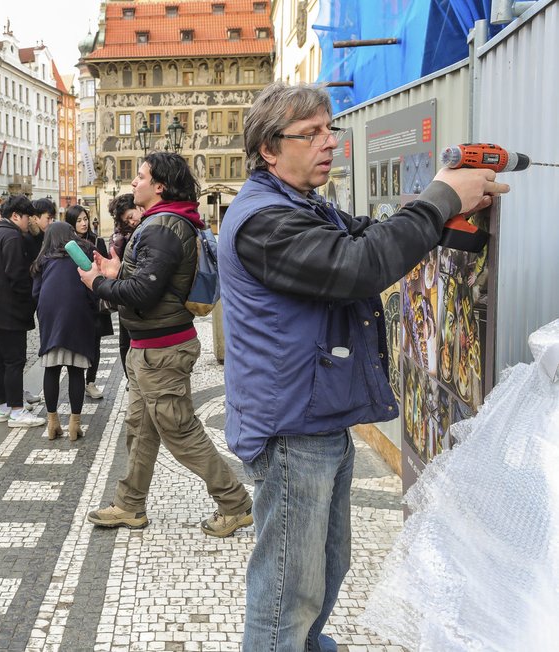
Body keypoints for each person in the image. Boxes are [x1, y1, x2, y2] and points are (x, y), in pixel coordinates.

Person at [218, 82, 508, 651]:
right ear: (269, 150)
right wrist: (441, 198)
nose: (330, 143)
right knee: (286, 593)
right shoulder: (264, 222)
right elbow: (357, 265)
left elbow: (371, 236)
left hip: (318, 418)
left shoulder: (302, 205)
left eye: (331, 129)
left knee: (326, 570)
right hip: (290, 429)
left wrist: (446, 214)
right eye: (312, 134)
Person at [78, 151, 254, 537]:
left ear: (159, 185)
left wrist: (98, 283)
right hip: (148, 345)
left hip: (162, 348)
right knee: (140, 428)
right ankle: (130, 505)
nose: (132, 183)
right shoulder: (166, 223)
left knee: (180, 430)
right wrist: (115, 269)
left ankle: (235, 502)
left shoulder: (162, 227)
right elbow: (150, 279)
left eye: (139, 177)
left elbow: (144, 292)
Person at [0, 195, 46, 428]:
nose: (30, 222)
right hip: (8, 311)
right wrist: (30, 301)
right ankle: (17, 411)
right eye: (28, 217)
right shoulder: (12, 236)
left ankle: (3, 407)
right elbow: (17, 276)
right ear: (16, 215)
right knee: (14, 362)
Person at [31, 222, 99, 441]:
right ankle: (74, 425)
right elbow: (92, 286)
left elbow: (36, 293)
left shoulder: (43, 260)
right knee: (76, 371)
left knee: (51, 369)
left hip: (50, 316)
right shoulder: (82, 253)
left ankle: (52, 423)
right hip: (77, 315)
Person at [65, 204, 113, 400]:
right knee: (77, 343)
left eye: (85, 219)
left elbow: (105, 268)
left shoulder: (97, 241)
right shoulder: (67, 245)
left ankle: (90, 382)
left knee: (95, 343)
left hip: (95, 300)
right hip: (76, 301)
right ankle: (75, 381)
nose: (84, 223)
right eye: (78, 220)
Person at [108, 193, 142, 375]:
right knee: (124, 340)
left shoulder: (147, 229)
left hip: (138, 293)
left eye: (131, 216)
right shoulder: (119, 236)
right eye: (126, 220)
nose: (131, 222)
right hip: (125, 293)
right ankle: (130, 377)